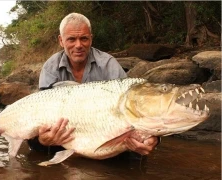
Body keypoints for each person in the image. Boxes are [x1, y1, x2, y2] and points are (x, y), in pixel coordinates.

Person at [28, 12, 159, 157]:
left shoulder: (108, 64)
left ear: (91, 38)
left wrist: (153, 138)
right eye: (71, 39)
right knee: (36, 145)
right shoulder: (50, 68)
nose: (78, 45)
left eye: (84, 38)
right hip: (66, 133)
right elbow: (40, 112)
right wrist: (43, 139)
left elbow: (134, 107)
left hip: (104, 130)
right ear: (61, 40)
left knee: (135, 152)